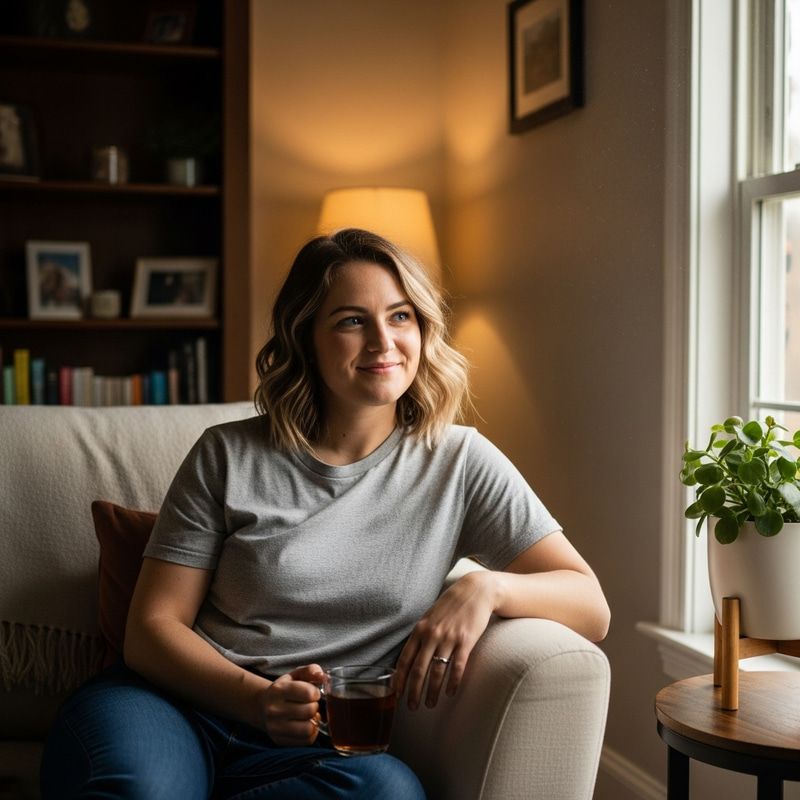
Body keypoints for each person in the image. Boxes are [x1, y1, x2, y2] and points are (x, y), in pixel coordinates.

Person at [40, 228, 610, 800]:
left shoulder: (460, 461)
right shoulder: (227, 454)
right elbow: (151, 629)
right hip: (171, 708)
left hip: (308, 747)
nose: (383, 341)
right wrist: (257, 700)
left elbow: (590, 603)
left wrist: (486, 590)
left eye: (401, 316)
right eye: (351, 321)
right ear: (305, 337)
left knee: (387, 792)